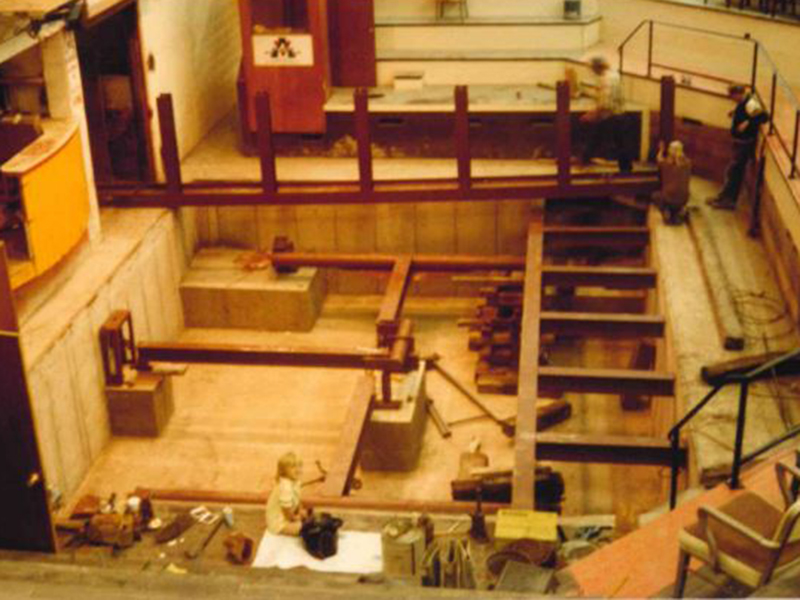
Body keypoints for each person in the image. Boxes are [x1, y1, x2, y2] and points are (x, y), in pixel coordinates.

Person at [707, 84, 768, 210]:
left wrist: (747, 122)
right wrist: (735, 112)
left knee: (735, 173)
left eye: (732, 97)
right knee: (732, 172)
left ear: (738, 94)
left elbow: (764, 117)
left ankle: (729, 201)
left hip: (744, 144)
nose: (732, 99)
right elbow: (747, 112)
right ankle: (724, 197)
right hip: (740, 142)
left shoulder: (750, 103)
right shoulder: (745, 102)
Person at [581, 56, 633, 173]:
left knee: (595, 137)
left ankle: (584, 161)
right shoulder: (615, 75)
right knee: (622, 145)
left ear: (597, 68)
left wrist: (591, 115)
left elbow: (605, 104)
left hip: (611, 116)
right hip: (621, 114)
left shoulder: (605, 80)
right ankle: (626, 170)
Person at [265, 452, 308, 536]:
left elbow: (298, 498)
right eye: (293, 467)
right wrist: (294, 518)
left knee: (306, 519)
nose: (297, 469)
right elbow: (286, 509)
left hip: (288, 515)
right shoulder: (285, 487)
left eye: (299, 465)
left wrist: (300, 510)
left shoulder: (296, 482)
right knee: (304, 528)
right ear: (283, 471)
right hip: (278, 522)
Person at [654, 140, 692, 225]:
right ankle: (679, 211)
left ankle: (666, 211)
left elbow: (658, 159)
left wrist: (661, 150)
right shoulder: (688, 164)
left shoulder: (665, 164)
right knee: (677, 195)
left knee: (655, 195)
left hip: (668, 198)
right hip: (684, 199)